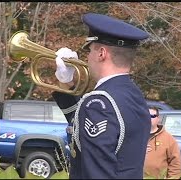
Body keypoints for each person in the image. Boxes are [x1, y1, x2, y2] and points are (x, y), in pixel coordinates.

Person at [52, 13, 151, 179]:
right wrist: (66, 82)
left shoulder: (98, 102)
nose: (88, 57)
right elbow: (83, 126)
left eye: (90, 50)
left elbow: (96, 173)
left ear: (101, 53)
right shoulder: (133, 94)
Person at [144, 106, 181, 179]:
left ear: (158, 118)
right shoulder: (135, 136)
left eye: (152, 116)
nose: (149, 118)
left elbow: (175, 164)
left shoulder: (169, 139)